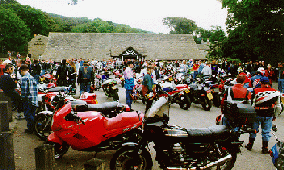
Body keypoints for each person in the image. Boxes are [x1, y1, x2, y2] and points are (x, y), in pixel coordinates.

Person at [245, 77, 281, 154]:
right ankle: (265, 148)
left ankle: (250, 145)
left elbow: (252, 104)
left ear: (261, 83)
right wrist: (275, 115)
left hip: (257, 114)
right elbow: (278, 106)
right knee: (266, 132)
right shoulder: (276, 92)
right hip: (268, 114)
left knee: (253, 130)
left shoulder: (256, 91)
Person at [20, 64, 38, 134]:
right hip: (34, 99)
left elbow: (24, 92)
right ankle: (31, 128)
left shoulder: (24, 78)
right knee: (32, 114)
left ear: (21, 70)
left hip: (28, 100)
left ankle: (33, 128)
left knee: (27, 115)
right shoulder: (31, 77)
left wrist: (22, 99)